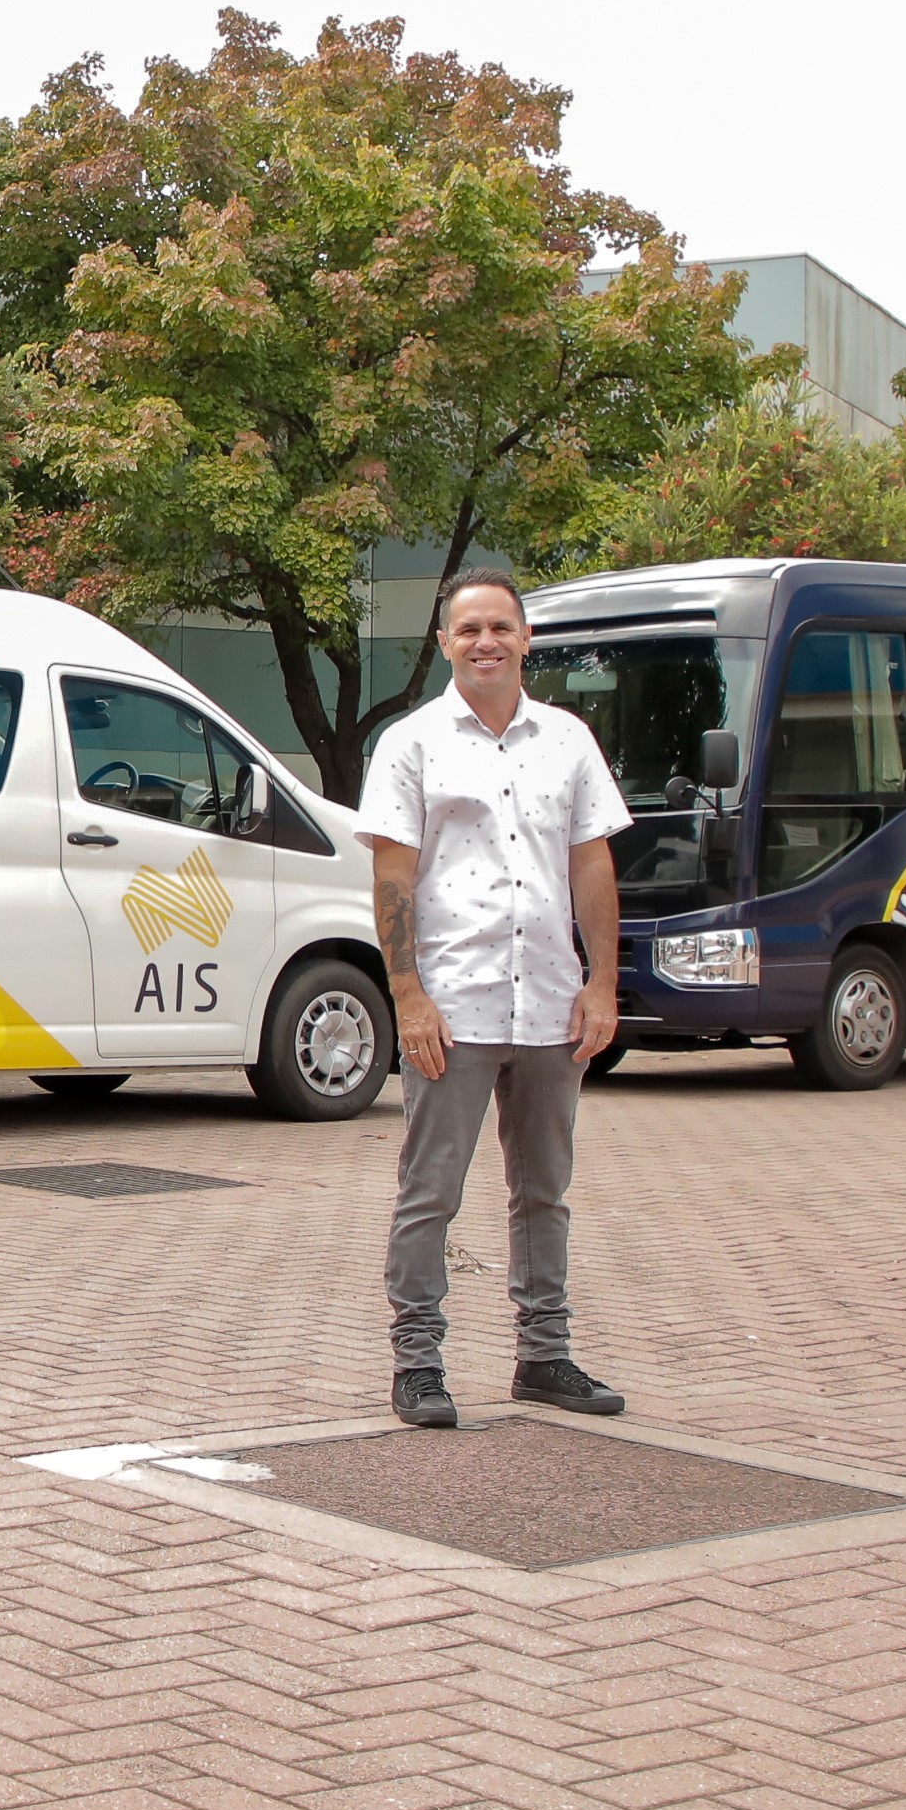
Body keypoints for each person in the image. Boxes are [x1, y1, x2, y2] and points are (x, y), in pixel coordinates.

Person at [359, 568, 628, 1428]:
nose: (486, 641)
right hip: (454, 1005)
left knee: (544, 1189)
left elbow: (592, 865)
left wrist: (602, 981)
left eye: (500, 627)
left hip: (550, 1003)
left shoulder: (569, 740)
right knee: (430, 1189)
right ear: (443, 642)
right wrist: (408, 996)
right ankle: (418, 1362)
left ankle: (545, 1356)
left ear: (525, 638)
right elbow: (392, 876)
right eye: (468, 628)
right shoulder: (412, 743)